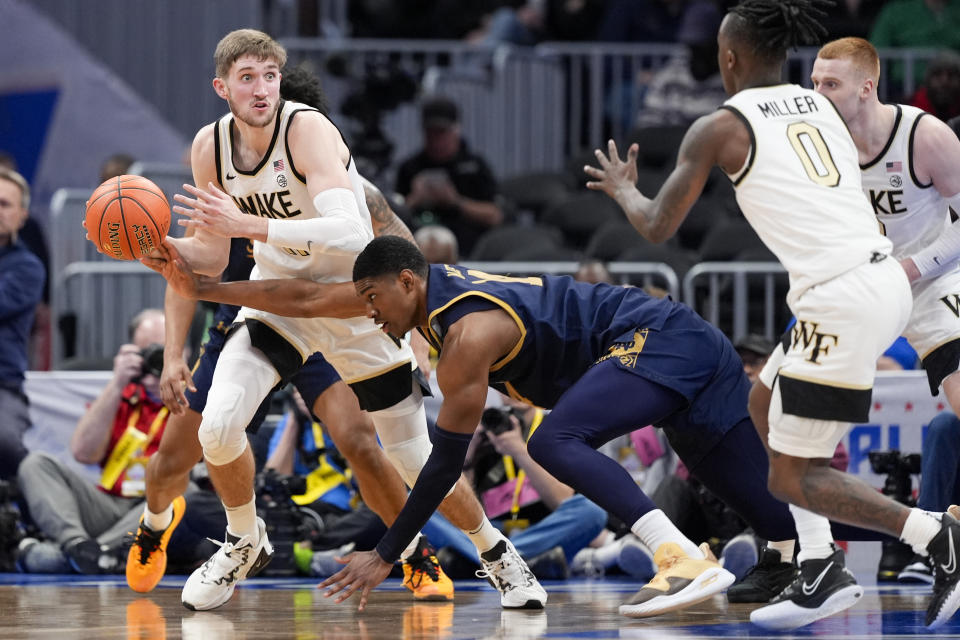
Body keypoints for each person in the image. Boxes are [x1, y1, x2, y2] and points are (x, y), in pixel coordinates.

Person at [584, 0, 960, 630]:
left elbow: (656, 227)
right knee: (760, 405)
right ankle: (818, 565)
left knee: (791, 475)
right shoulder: (819, 105)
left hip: (846, 294)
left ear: (728, 58)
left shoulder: (720, 126)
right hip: (868, 280)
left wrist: (625, 188)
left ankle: (934, 536)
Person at [148, 30, 544, 612]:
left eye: (270, 75)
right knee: (218, 425)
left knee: (412, 458)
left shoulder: (306, 129)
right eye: (247, 78)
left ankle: (498, 554)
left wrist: (253, 227)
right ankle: (242, 539)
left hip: (359, 303)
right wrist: (162, 248)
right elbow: (209, 252)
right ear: (222, 87)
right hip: (281, 301)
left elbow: (356, 233)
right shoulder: (209, 146)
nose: (262, 89)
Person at [124, 65, 464, 604]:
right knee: (174, 458)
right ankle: (154, 523)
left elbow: (409, 261)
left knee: (360, 444)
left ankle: (413, 554)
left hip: (327, 317)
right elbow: (180, 272)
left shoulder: (351, 187)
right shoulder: (224, 173)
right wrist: (172, 356)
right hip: (251, 315)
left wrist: (419, 339)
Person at [16, 310, 176, 573]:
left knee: (184, 493)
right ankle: (78, 544)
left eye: (164, 350)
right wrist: (117, 383)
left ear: (184, 350)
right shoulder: (121, 395)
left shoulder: (196, 397)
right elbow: (83, 453)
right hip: (108, 503)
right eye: (148, 351)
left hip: (156, 507)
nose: (156, 359)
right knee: (36, 463)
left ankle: (87, 555)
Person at [394, 96, 503, 257]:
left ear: (456, 130)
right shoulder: (410, 167)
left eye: (441, 132)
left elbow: (495, 215)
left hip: (469, 255)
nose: (436, 140)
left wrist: (455, 202)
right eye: (430, 132)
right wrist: (415, 199)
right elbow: (389, 219)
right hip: (416, 255)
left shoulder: (475, 166)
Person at [0, 168, 44, 479]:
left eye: (4, 204)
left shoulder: (28, 267)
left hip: (3, 386)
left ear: (22, 215)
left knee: (3, 440)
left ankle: (20, 518)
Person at [634, 1, 728, 129]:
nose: (695, 51)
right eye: (691, 45)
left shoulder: (730, 77)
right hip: (670, 144)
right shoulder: (673, 71)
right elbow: (647, 124)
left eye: (702, 45)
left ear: (717, 42)